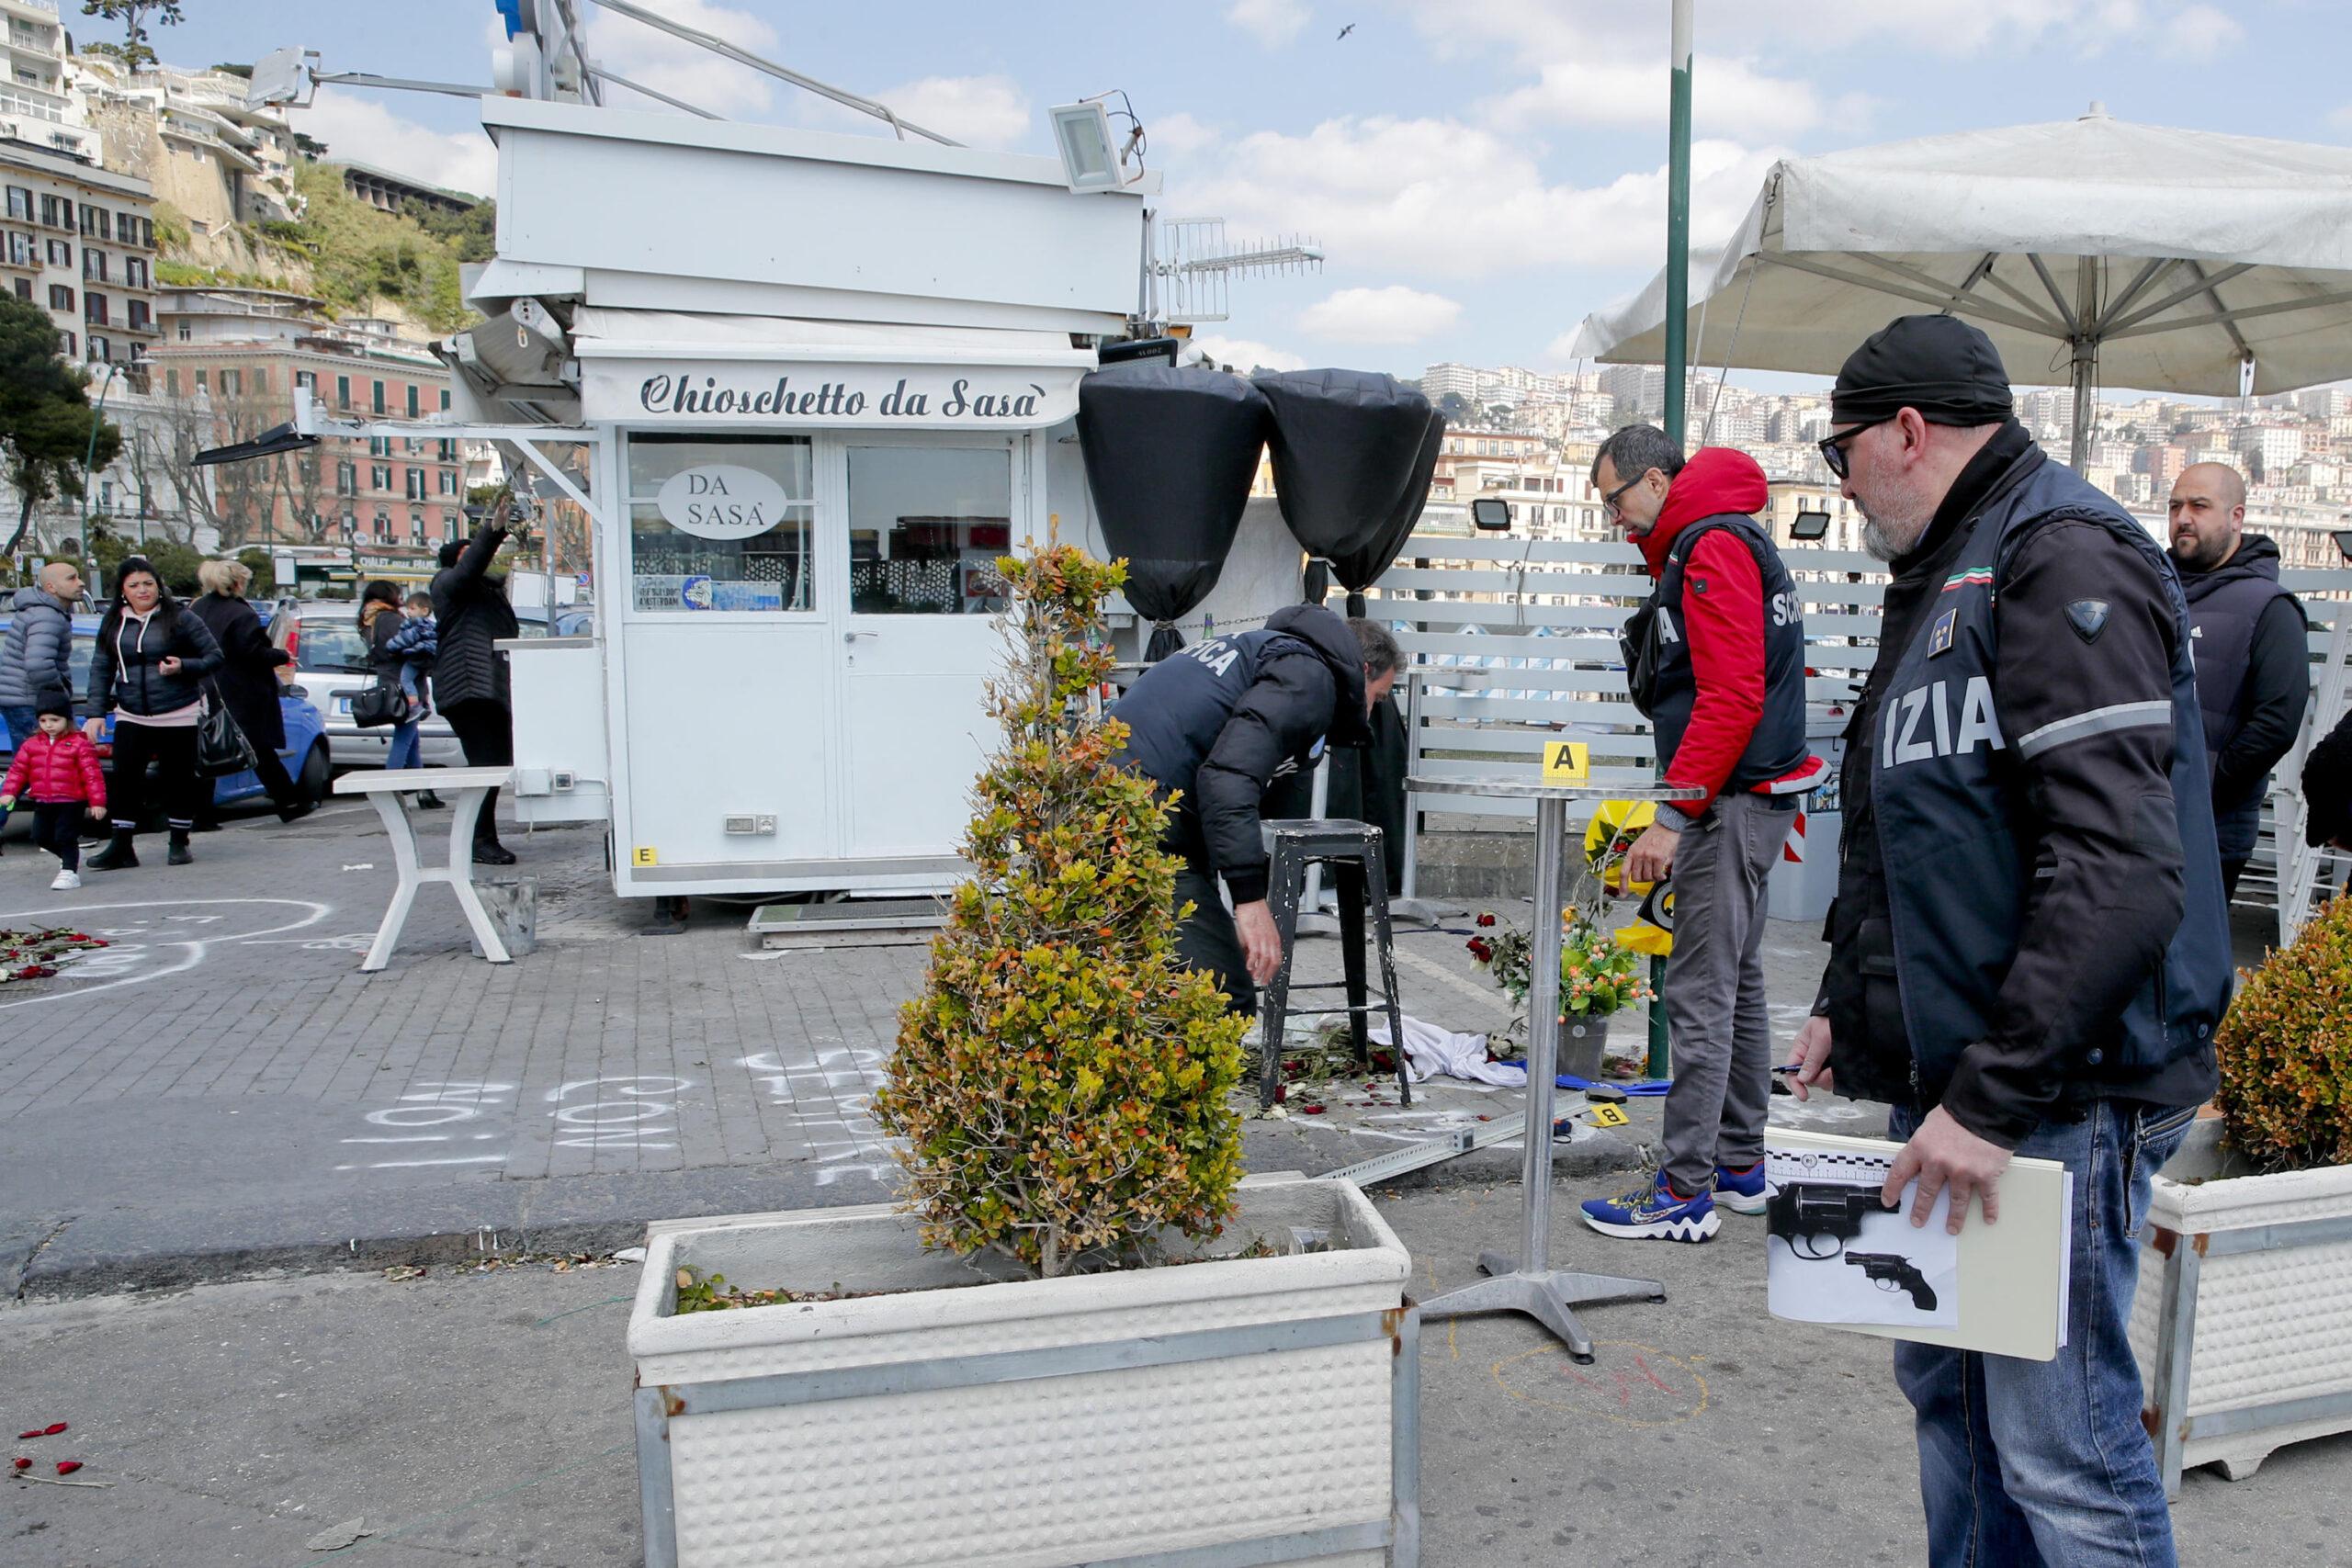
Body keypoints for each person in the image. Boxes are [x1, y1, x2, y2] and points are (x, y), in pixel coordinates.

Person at [1790, 314, 2230, 1567]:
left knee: (2066, 1452)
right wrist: (1849, 999)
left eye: (1839, 454)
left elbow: (2118, 869)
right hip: (1967, 1084)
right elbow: (1905, 822)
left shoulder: (2060, 555)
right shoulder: (1942, 571)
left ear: (1907, 431)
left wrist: (1987, 1101)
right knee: (1954, 1404)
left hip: (2057, 1093)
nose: (1842, 484)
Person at [1577, 426, 1824, 1243]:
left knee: (1698, 992)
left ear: (1654, 480)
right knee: (1738, 980)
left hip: (1725, 802)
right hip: (1750, 796)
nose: (1615, 518)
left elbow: (1730, 697)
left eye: (1616, 498)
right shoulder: (1726, 533)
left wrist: (1674, 815)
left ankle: (1684, 1190)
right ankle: (1741, 1165)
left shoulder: (1710, 544)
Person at [1109, 605, 1398, 1015]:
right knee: (1222, 998)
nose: (1369, 714)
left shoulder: (1268, 652)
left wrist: (1220, 912)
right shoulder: (1308, 679)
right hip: (1139, 819)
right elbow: (1227, 778)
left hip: (1120, 804)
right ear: (1363, 670)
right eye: (1377, 698)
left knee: (1177, 978)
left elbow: (1205, 773)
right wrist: (1249, 903)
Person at [2165, 462, 2309, 902]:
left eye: (2199, 505)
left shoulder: (2270, 608)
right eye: (2174, 506)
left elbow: (2277, 723)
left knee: (2191, 965)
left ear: (2236, 516)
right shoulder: (2149, 586)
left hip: (2213, 829)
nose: (2183, 517)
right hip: (2135, 817)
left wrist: (2204, 782)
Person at [84, 556, 223, 870]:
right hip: (131, 712)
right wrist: (94, 713)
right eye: (134, 585)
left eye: (148, 583)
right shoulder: (113, 622)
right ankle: (121, 846)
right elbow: (101, 667)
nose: (142, 590)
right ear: (122, 590)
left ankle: (178, 842)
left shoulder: (181, 617)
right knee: (124, 780)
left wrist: (183, 666)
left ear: (159, 586)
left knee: (179, 779)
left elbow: (215, 656)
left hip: (178, 710)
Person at [187, 558, 311, 826]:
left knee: (210, 746)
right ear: (237, 582)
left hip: (206, 685)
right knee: (258, 749)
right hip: (241, 689)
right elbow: (252, 652)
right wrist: (281, 654)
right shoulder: (241, 613)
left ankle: (200, 813)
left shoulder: (197, 607)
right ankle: (288, 801)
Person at [429, 527, 520, 863]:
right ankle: (479, 840)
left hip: (482, 686)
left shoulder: (480, 591)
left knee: (493, 764)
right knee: (486, 765)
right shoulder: (448, 583)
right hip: (469, 686)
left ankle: (481, 837)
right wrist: (493, 533)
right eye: (473, 554)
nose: (484, 560)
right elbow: (470, 568)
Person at [0, 559, 82, 851]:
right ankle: (55, 836)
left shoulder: (37, 611)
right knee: (37, 770)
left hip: (19, 698)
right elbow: (37, 664)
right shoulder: (47, 616)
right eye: (71, 578)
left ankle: (51, 833)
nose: (80, 583)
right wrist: (58, 694)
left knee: (26, 770)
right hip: (30, 701)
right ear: (51, 587)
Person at [0, 688, 105, 889]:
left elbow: (92, 775)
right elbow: (18, 771)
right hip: (43, 800)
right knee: (41, 836)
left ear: (67, 719)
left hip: (71, 801)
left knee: (65, 836)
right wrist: (9, 792)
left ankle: (69, 872)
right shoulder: (31, 745)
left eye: (55, 720)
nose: (49, 725)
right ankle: (70, 856)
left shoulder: (79, 744)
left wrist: (97, 802)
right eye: (43, 721)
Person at [361, 581, 442, 809]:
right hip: (404, 687)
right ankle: (389, 794)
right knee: (404, 738)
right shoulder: (390, 619)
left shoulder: (370, 618)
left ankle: (424, 791)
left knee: (411, 739)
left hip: (390, 684)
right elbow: (407, 647)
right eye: (397, 593)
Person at [387, 591, 438, 720]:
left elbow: (403, 640)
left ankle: (414, 706)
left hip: (416, 657)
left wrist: (391, 646)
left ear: (425, 610)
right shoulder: (433, 626)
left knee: (406, 679)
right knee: (422, 680)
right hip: (428, 659)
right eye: (407, 608)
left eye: (412, 609)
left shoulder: (416, 627)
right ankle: (425, 704)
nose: (408, 612)